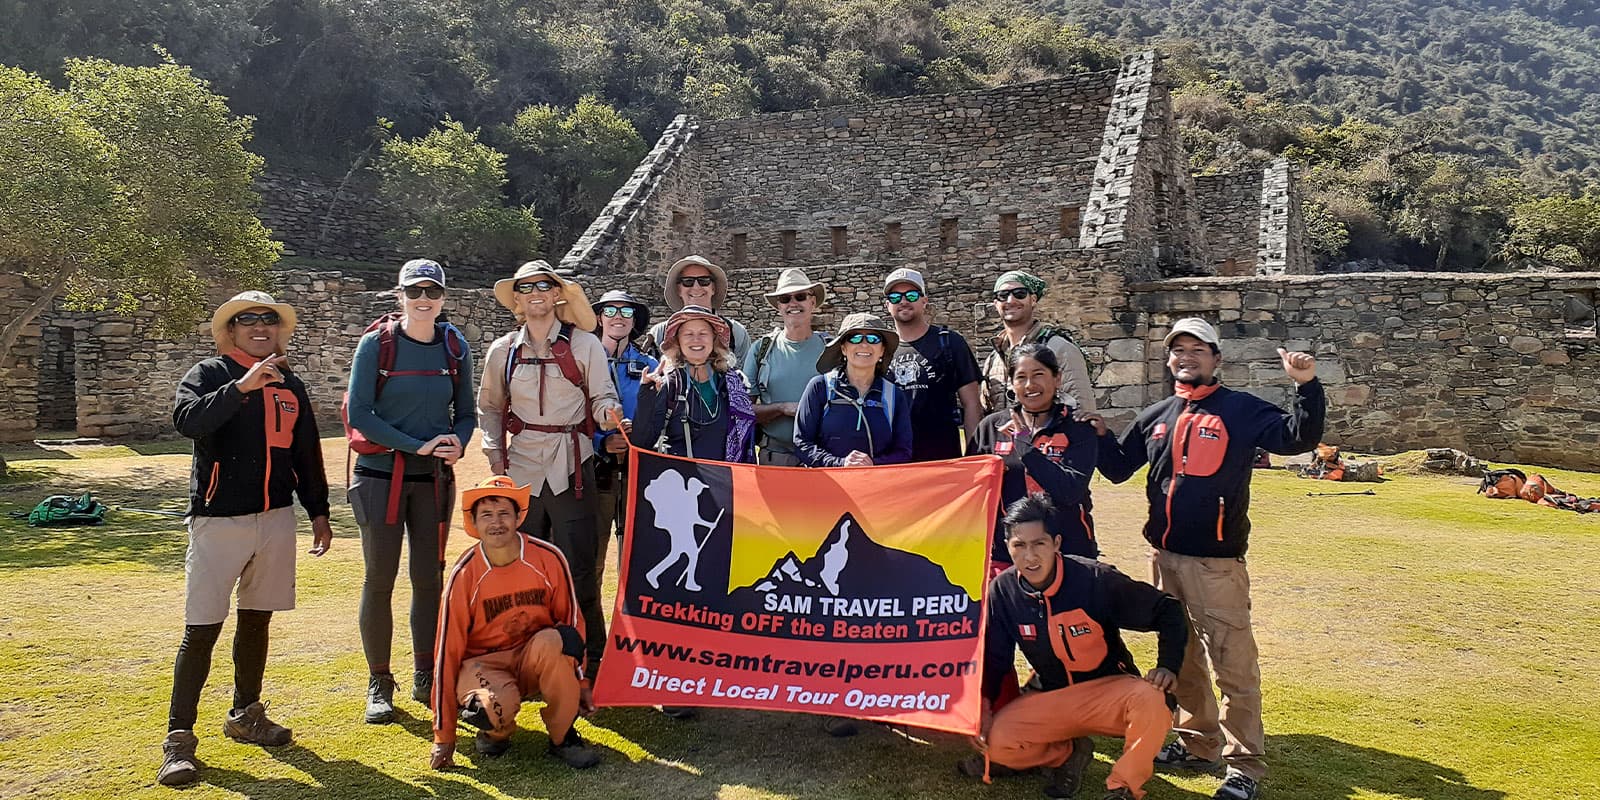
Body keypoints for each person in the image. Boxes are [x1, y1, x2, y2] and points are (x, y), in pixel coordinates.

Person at [1091, 317, 1324, 800]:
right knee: (1184, 657)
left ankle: (1245, 765)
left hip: (1216, 563)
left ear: (1217, 359)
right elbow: (1116, 470)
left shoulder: (1239, 410)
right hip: (1165, 558)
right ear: (1168, 358)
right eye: (1179, 349)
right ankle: (1198, 743)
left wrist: (1306, 385)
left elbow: (1296, 438)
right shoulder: (1157, 415)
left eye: (1199, 349)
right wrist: (1093, 433)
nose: (1187, 357)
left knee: (1232, 662)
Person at [160, 291, 334, 786]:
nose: (261, 326)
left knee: (257, 622)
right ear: (231, 331)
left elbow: (305, 454)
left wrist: (318, 511)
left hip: (275, 519)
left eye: (269, 319)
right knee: (202, 629)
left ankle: (245, 714)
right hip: (219, 519)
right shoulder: (208, 375)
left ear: (280, 331)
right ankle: (179, 740)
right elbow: (188, 423)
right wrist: (241, 387)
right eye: (248, 319)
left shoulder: (290, 384)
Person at [967, 493, 1186, 800]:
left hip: (1111, 693)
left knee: (1153, 699)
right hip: (1055, 697)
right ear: (1007, 547)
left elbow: (1169, 610)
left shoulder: (1094, 578)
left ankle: (1123, 786)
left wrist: (1167, 665)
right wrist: (985, 706)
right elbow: (995, 658)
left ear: (1056, 543)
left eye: (1038, 544)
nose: (1029, 557)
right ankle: (1066, 753)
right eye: (1019, 546)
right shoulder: (1003, 591)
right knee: (995, 740)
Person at [344, 258, 476, 724]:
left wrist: (458, 441)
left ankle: (427, 673)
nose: (424, 301)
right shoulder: (374, 345)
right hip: (381, 476)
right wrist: (417, 446)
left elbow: (467, 411)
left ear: (443, 298)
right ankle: (379, 682)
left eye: (432, 293)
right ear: (399, 296)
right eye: (414, 292)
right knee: (379, 580)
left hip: (433, 481)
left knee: (429, 579)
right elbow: (360, 413)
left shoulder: (454, 345)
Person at [478, 261, 620, 685]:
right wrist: (494, 456)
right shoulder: (502, 350)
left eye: (545, 285)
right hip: (520, 472)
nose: (536, 292)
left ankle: (591, 661)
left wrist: (608, 414)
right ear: (517, 299)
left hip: (571, 466)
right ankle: (527, 662)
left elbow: (602, 395)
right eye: (527, 287)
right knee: (520, 571)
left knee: (579, 570)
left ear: (558, 294)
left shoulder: (585, 345)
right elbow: (488, 406)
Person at [429, 476, 600, 771]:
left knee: (558, 640)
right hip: (484, 666)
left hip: (534, 656)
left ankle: (564, 736)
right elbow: (447, 653)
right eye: (486, 515)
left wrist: (582, 683)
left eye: (504, 513)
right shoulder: (464, 574)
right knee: (490, 709)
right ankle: (496, 730)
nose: (496, 523)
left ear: (519, 517)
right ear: (474, 522)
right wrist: (444, 736)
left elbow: (573, 624)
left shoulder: (548, 558)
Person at [968, 343, 1098, 568]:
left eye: (1039, 374)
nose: (1030, 385)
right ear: (1011, 382)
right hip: (1006, 555)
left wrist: (1026, 447)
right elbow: (970, 492)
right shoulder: (991, 427)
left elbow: (1070, 491)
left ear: (1057, 378)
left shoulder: (1079, 428)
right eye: (1021, 377)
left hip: (1070, 552)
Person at [631, 305, 757, 464]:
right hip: (681, 484)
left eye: (703, 333)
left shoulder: (733, 385)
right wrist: (646, 396)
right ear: (677, 341)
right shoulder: (669, 385)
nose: (696, 339)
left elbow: (746, 441)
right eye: (688, 334)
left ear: (714, 339)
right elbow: (641, 443)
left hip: (725, 484)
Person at [881, 267, 983, 462]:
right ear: (887, 305)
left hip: (942, 458)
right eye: (895, 297)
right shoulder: (880, 349)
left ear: (924, 301)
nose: (903, 301)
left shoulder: (949, 342)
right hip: (894, 460)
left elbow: (972, 404)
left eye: (911, 295)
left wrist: (974, 457)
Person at [590, 289, 658, 578]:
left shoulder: (651, 366)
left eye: (626, 312)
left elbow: (660, 419)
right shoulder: (584, 364)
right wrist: (603, 442)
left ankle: (629, 622)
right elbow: (571, 416)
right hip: (596, 470)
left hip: (638, 472)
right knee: (591, 555)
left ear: (634, 321)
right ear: (599, 317)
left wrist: (638, 438)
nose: (619, 317)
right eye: (611, 311)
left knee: (636, 559)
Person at [793, 312, 913, 468]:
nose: (864, 344)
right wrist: (840, 464)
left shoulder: (894, 395)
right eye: (855, 338)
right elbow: (801, 442)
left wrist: (872, 464)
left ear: (882, 350)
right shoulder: (820, 387)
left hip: (878, 486)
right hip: (828, 486)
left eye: (873, 339)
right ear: (843, 348)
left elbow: (903, 451)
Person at [744, 268, 830, 466]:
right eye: (784, 299)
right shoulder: (761, 349)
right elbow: (744, 410)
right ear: (779, 307)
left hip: (824, 456)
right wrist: (782, 408)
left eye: (800, 296)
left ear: (812, 302)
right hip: (775, 457)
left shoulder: (831, 348)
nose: (793, 303)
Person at [981, 270, 1097, 415]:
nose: (1010, 300)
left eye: (1020, 293)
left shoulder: (1059, 348)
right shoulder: (993, 359)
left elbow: (1082, 410)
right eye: (1003, 295)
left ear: (1033, 299)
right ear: (996, 304)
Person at [642, 255, 752, 362]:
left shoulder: (736, 333)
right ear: (679, 290)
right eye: (688, 281)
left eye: (704, 281)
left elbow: (745, 376)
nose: (696, 287)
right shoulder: (660, 333)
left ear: (713, 288)